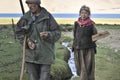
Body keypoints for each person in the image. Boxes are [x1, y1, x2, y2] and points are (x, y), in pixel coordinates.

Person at [15, 0, 61, 80]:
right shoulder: (25, 18)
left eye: (32, 3)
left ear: (38, 4)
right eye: (28, 4)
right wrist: (27, 42)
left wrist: (48, 35)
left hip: (45, 55)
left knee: (44, 78)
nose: (30, 6)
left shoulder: (48, 17)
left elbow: (57, 33)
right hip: (30, 56)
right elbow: (18, 32)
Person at [72, 5, 97, 80]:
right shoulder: (76, 24)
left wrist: (88, 42)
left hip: (88, 49)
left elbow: (95, 36)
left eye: (86, 13)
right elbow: (75, 35)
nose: (83, 14)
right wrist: (75, 44)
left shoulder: (91, 24)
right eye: (82, 13)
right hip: (78, 49)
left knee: (87, 67)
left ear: (89, 14)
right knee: (79, 67)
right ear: (80, 13)